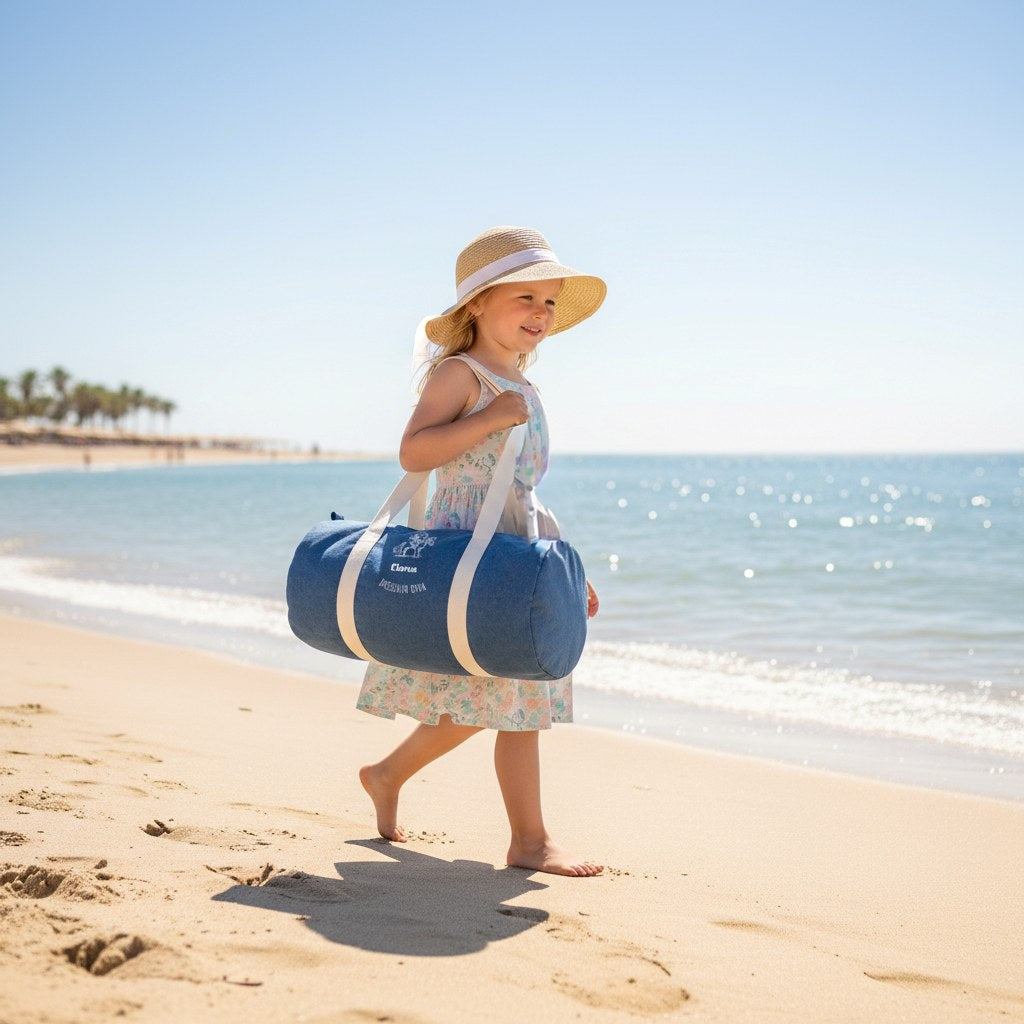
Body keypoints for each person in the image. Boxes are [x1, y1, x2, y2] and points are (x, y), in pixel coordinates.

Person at [356, 226, 607, 877]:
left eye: (549, 303)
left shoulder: (519, 379)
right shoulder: (459, 374)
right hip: (466, 551)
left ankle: (388, 774)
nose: (540, 314)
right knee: (507, 695)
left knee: (502, 694)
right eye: (525, 297)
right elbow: (415, 453)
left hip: (515, 549)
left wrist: (562, 573)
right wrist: (487, 419)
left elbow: (522, 490)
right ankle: (528, 842)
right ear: (477, 306)